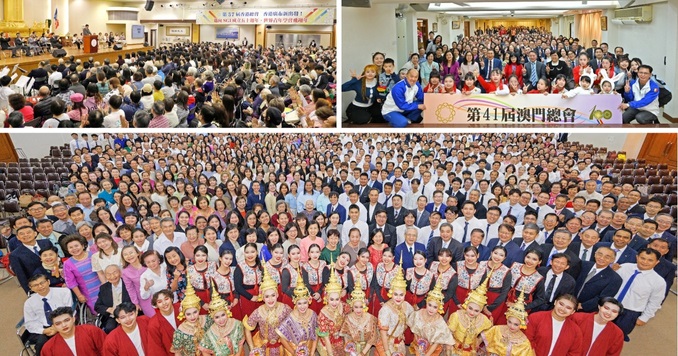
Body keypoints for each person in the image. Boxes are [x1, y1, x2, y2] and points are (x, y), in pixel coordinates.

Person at [613, 247, 665, 341]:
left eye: (650, 260)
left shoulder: (659, 281)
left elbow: (654, 302)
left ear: (657, 262)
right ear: (637, 257)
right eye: (642, 258)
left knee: (616, 337)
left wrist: (644, 318)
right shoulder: (625, 267)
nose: (645, 262)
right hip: (611, 304)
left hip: (630, 313)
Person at [242, 266, 292, 356]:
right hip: (264, 346)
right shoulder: (258, 312)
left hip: (283, 344)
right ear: (263, 298)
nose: (270, 299)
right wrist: (252, 347)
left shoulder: (285, 308)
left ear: (277, 295)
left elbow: (294, 323)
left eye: (273, 295)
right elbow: (247, 328)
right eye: (267, 296)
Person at [22, 274, 74, 355]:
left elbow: (69, 312)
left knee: (65, 343)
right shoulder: (29, 303)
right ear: (31, 288)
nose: (40, 286)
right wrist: (44, 330)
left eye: (42, 283)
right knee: (41, 345)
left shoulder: (64, 292)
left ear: (48, 282)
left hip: (64, 323)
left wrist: (57, 328)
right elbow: (30, 322)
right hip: (45, 329)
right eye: (35, 285)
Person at [482, 288, 535, 356]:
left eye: (516, 324)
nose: (511, 326)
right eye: (509, 322)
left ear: (522, 324)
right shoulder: (497, 329)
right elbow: (480, 339)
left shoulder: (524, 343)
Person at [447, 278, 493, 356]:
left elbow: (489, 329)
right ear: (466, 305)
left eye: (476, 311)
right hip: (454, 348)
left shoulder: (483, 319)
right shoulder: (457, 316)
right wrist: (449, 346)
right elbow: (449, 333)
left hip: (471, 350)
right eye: (470, 308)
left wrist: (479, 340)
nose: (472, 312)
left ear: (481, 310)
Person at [377, 263, 414, 355]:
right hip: (387, 343)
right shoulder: (385, 310)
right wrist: (387, 351)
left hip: (400, 343)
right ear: (391, 294)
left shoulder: (407, 306)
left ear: (405, 294)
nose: (398, 298)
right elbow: (383, 333)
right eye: (395, 294)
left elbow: (412, 322)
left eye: (401, 295)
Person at [277, 275, 318, 356]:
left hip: (309, 349)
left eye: (304, 303)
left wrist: (312, 352)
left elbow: (316, 334)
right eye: (299, 303)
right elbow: (282, 338)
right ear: (295, 303)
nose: (302, 306)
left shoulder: (313, 314)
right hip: (295, 350)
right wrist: (294, 352)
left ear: (309, 302)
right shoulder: (290, 318)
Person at [199, 284, 245, 356]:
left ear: (227, 313)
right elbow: (204, 350)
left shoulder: (237, 324)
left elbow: (240, 344)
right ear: (212, 318)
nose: (221, 320)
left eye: (223, 315)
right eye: (217, 317)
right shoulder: (210, 333)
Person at [41, 306, 107, 356]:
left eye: (66, 320)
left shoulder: (91, 331)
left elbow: (107, 350)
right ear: (54, 326)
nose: (64, 325)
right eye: (58, 323)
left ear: (73, 319)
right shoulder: (48, 347)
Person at [574, 246, 623, 312]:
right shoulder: (583, 265)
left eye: (607, 257)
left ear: (612, 260)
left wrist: (582, 306)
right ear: (595, 254)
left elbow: (603, 297)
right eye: (600, 254)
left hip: (588, 311)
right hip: (570, 303)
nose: (602, 258)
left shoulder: (615, 279)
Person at [316, 263, 350, 356]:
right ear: (326, 298)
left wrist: (347, 346)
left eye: (337, 299)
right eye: (331, 299)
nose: (334, 303)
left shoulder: (344, 306)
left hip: (341, 337)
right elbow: (326, 338)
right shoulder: (323, 314)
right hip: (327, 342)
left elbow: (347, 327)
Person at [340, 277, 380, 356]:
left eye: (361, 307)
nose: (358, 310)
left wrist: (362, 353)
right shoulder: (348, 318)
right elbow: (346, 336)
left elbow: (372, 339)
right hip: (352, 350)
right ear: (352, 306)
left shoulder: (370, 318)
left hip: (365, 349)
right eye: (356, 307)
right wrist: (351, 349)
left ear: (364, 306)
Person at [9, 226, 55, 293]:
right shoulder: (15, 255)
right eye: (22, 234)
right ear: (18, 237)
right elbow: (21, 276)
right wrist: (29, 292)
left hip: (56, 279)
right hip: (38, 285)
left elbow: (56, 259)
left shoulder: (46, 242)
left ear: (35, 233)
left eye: (28, 232)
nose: (26, 235)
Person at [172, 276, 209, 356]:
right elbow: (177, 353)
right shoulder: (180, 331)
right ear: (183, 314)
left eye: (195, 312)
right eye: (188, 314)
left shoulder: (207, 320)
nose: (192, 316)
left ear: (199, 309)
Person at [94, 265, 132, 333]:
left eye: (115, 272)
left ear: (120, 273)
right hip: (113, 316)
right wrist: (109, 309)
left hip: (129, 313)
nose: (112, 276)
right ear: (105, 276)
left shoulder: (128, 282)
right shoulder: (104, 288)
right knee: (110, 328)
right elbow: (97, 306)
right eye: (109, 274)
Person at [147, 289, 182, 355]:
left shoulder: (182, 308)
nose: (164, 303)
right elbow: (156, 348)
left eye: (166, 299)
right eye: (159, 302)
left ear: (172, 299)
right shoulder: (153, 324)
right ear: (156, 305)